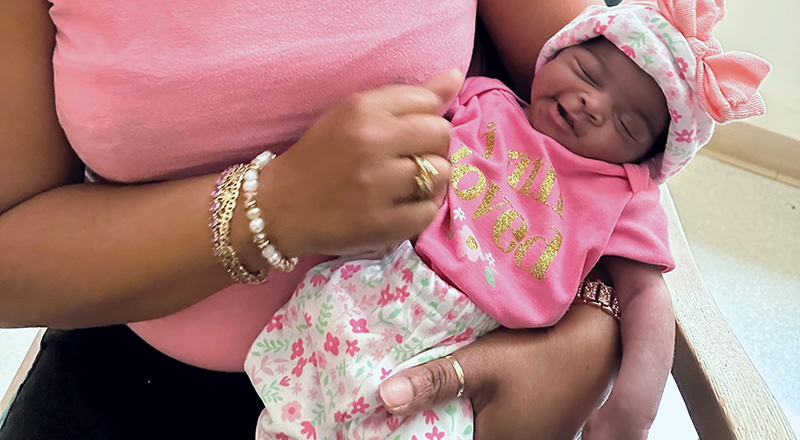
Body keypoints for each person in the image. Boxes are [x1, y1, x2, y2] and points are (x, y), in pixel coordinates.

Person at [1, 1, 637, 439]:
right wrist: (272, 209)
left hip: (428, 380)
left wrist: (591, 332)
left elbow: (629, 119)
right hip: (133, 374)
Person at [244, 1, 770, 439]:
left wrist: (634, 403)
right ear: (558, 51)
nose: (590, 102)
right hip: (368, 285)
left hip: (463, 342)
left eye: (627, 123)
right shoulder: (487, 99)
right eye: (587, 72)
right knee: (293, 411)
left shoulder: (621, 194)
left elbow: (646, 295)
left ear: (643, 161)